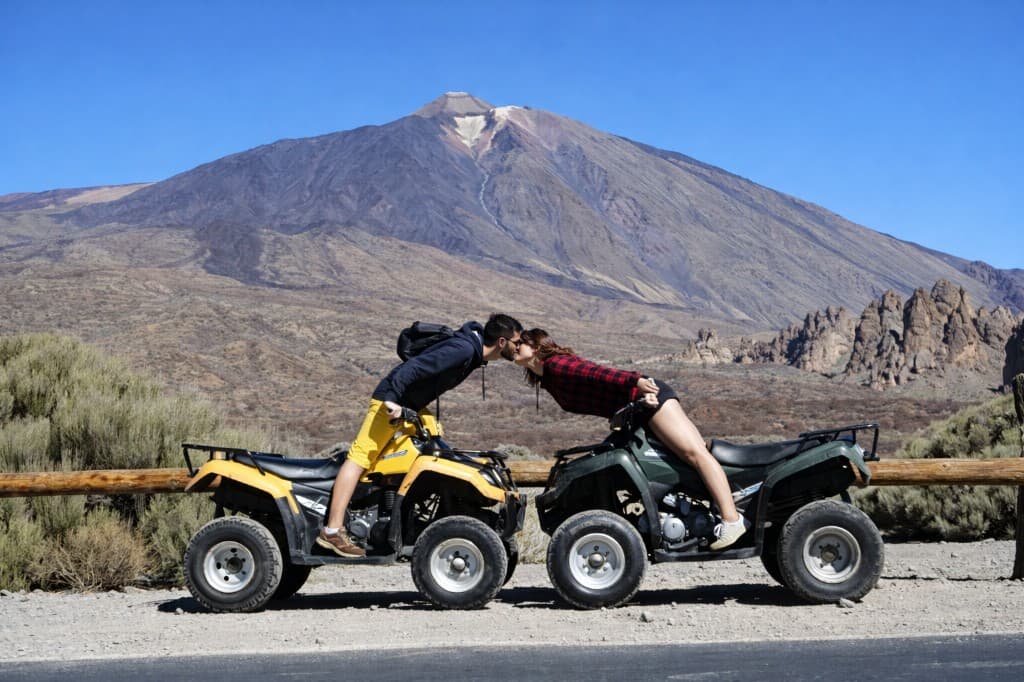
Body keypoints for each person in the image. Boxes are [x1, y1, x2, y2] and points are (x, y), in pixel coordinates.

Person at [513, 328, 750, 550]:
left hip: (647, 396)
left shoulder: (556, 365)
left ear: (536, 348)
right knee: (679, 458)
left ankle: (732, 520)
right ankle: (716, 507)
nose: (515, 347)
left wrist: (635, 382)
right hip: (637, 407)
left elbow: (598, 372)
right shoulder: (547, 378)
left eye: (520, 343)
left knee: (695, 453)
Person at [317, 313, 523, 557]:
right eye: (517, 342)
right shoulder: (464, 350)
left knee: (430, 450)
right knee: (360, 457)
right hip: (391, 402)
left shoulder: (472, 351)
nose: (519, 347)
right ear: (501, 342)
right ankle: (333, 530)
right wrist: (391, 400)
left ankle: (390, 515)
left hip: (409, 404)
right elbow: (414, 367)